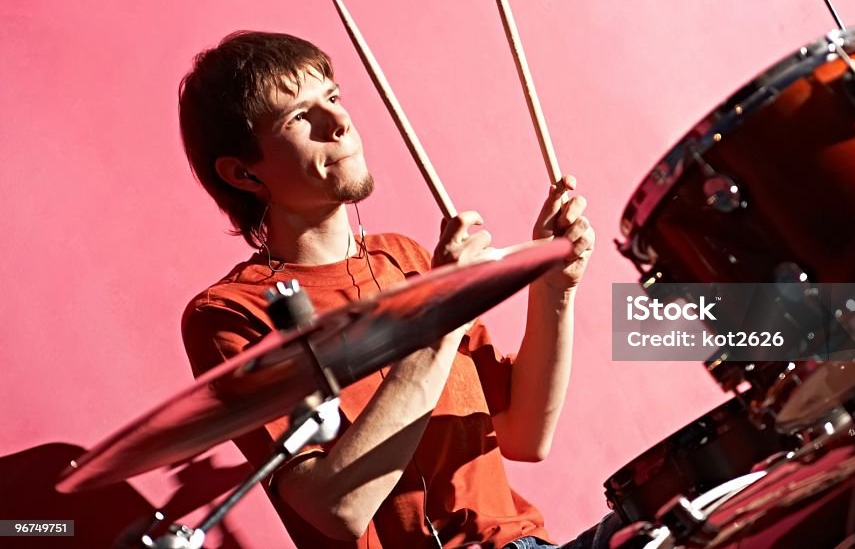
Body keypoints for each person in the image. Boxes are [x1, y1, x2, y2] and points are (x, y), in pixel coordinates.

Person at [178, 31, 612, 549]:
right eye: (299, 117)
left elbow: (525, 434)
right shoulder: (232, 314)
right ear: (242, 172)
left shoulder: (403, 259)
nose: (339, 124)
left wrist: (554, 288)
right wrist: (439, 320)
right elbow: (339, 509)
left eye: (334, 99)